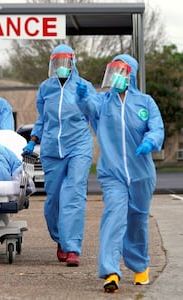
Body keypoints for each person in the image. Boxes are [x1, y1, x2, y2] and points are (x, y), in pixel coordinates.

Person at [76, 54, 164, 293]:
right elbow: (89, 106)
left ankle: (139, 266)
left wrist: (150, 141)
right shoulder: (104, 102)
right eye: (113, 71)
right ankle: (110, 271)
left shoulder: (145, 103)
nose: (116, 76)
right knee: (114, 217)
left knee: (137, 221)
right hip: (112, 173)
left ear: (131, 76)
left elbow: (157, 128)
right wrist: (83, 97)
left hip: (141, 174)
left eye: (121, 72)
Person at [22, 44, 96, 267]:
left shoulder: (84, 86)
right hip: (52, 148)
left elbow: (96, 113)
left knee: (74, 194)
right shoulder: (46, 88)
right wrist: (33, 139)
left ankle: (72, 247)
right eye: (58, 63)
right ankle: (60, 239)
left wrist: (88, 100)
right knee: (53, 198)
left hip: (79, 146)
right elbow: (43, 119)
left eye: (66, 63)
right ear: (52, 65)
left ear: (73, 64)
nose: (62, 68)